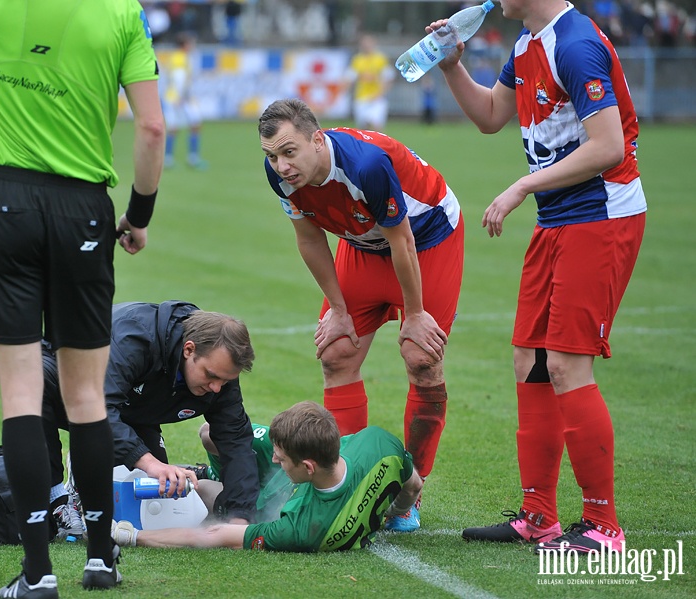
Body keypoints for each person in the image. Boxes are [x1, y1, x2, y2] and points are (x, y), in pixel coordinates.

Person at [0, 1, 165, 597]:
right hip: (84, 208)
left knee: (22, 396)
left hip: (4, 200)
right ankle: (101, 560)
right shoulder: (124, 13)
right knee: (85, 398)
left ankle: (37, 573)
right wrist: (139, 216)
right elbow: (151, 127)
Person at [429, 0, 647, 554]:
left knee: (570, 363)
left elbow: (609, 147)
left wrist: (524, 186)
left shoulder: (573, 44)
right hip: (558, 220)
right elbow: (490, 117)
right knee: (531, 359)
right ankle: (539, 515)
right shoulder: (529, 42)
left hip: (601, 216)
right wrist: (453, 64)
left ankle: (604, 525)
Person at [257, 98, 464, 533]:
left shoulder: (365, 165)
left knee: (421, 357)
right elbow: (310, 240)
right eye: (271, 156)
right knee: (336, 352)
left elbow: (402, 241)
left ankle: (410, 494)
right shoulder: (281, 177)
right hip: (363, 241)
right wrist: (337, 309)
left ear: (317, 140)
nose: (281, 165)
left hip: (427, 239)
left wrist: (415, 313)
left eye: (289, 152)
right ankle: (347, 485)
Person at [42, 301, 260, 538]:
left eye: (225, 381)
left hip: (129, 405)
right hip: (72, 383)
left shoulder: (219, 372)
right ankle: (58, 499)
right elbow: (98, 407)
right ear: (189, 350)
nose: (217, 388)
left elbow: (236, 439)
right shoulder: (135, 339)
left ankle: (90, 465)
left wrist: (239, 518)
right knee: (38, 382)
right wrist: (150, 463)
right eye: (211, 376)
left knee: (154, 502)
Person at [112, 401, 422, 551]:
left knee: (203, 491)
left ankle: (207, 477)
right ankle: (210, 471)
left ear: (308, 467)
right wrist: (395, 512)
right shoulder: (380, 443)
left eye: (282, 458)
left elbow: (214, 536)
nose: (274, 458)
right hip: (301, 477)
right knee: (210, 433)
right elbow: (413, 485)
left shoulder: (303, 528)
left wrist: (132, 536)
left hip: (265, 501)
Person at [161, 32, 207, 170]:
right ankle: (187, 158)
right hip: (177, 98)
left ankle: (175, 159)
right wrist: (180, 97)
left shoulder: (177, 57)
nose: (192, 46)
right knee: (186, 126)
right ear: (185, 45)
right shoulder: (180, 58)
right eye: (190, 43)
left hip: (177, 97)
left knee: (192, 124)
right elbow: (178, 78)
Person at [342, 34, 395, 131]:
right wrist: (344, 93)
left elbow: (388, 78)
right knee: (363, 130)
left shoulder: (380, 59)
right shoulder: (357, 60)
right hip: (361, 98)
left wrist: (381, 93)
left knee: (376, 126)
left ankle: (379, 146)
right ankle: (365, 146)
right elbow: (349, 78)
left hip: (376, 99)